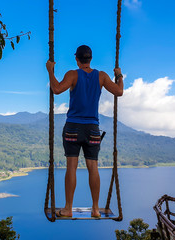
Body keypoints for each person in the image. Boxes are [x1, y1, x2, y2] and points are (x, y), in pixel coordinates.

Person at [46, 45, 124, 218]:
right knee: (93, 167)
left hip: (73, 127)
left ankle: (67, 208)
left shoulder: (72, 74)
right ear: (90, 59)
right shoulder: (102, 76)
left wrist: (50, 71)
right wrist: (119, 74)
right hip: (92, 129)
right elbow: (119, 91)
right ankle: (95, 209)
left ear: (77, 59)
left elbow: (57, 89)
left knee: (71, 168)